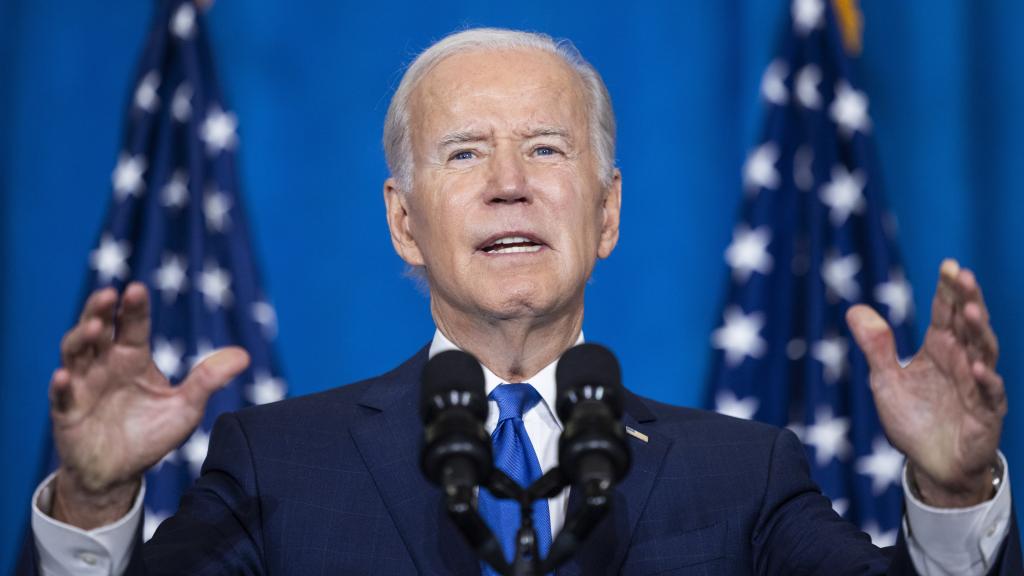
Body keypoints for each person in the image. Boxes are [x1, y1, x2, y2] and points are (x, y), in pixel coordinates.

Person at [22, 28, 1019, 575]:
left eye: (547, 149)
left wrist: (948, 495)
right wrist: (98, 502)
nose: (509, 181)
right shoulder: (277, 466)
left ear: (607, 211)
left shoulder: (742, 476)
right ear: (405, 224)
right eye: (464, 154)